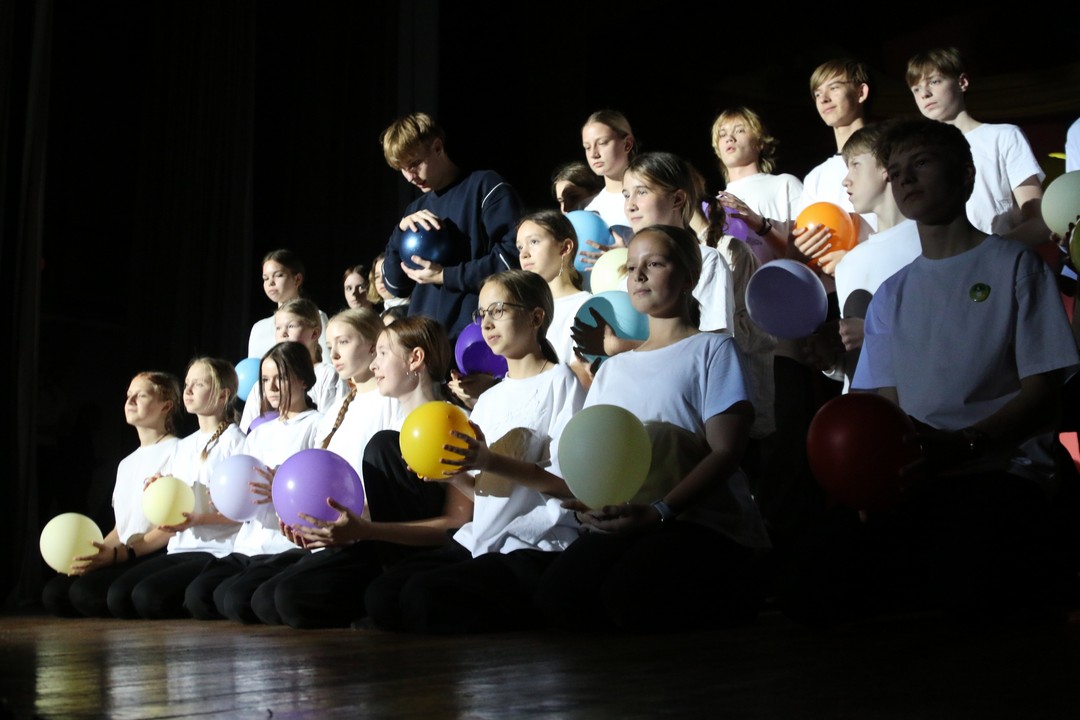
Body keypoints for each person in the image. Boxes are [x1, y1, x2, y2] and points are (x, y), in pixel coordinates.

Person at [783, 117, 1080, 626]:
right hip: (919, 476)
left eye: (921, 163)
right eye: (897, 171)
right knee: (811, 582)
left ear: (965, 175)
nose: (906, 179)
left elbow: (1044, 391)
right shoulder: (892, 293)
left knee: (968, 582)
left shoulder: (1015, 265)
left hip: (1001, 473)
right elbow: (881, 403)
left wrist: (965, 445)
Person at [534, 225, 770, 632]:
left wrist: (660, 512)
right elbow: (601, 453)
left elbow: (726, 451)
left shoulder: (713, 349)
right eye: (631, 267)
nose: (639, 275)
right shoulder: (614, 369)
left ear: (688, 278)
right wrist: (595, 504)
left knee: (628, 599)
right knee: (558, 599)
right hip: (632, 520)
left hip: (699, 522)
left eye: (655, 264)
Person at [364, 270, 586, 634]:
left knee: (422, 598)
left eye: (498, 310)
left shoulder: (560, 382)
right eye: (481, 314)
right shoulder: (490, 397)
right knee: (381, 596)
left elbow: (568, 484)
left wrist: (488, 460)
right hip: (480, 540)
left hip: (532, 544)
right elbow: (485, 492)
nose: (486, 323)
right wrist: (453, 474)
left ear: (535, 317)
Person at [254, 315, 473, 629]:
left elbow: (455, 526)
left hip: (412, 552)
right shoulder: (391, 424)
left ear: (415, 359)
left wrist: (365, 530)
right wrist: (324, 527)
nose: (374, 364)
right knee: (269, 599)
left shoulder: (451, 423)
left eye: (382, 353)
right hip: (372, 543)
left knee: (298, 598)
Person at [185, 341, 322, 622]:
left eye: (280, 378)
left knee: (235, 600)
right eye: (266, 380)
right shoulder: (259, 433)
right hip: (248, 544)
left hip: (284, 546)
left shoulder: (316, 424)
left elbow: (316, 486)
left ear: (303, 379)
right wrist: (225, 497)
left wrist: (280, 487)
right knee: (198, 596)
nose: (272, 387)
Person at [105, 357, 246, 619]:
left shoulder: (236, 442)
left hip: (217, 551)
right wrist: (159, 489)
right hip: (180, 548)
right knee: (118, 596)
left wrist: (198, 519)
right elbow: (175, 497)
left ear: (223, 395)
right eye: (188, 383)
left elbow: (245, 514)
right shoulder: (183, 446)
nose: (188, 390)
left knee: (147, 597)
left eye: (198, 384)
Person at [41, 371, 182, 617]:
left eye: (141, 395)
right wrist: (92, 556)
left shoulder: (178, 451)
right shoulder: (126, 464)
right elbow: (121, 528)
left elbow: (173, 524)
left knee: (84, 593)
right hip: (122, 553)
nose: (130, 401)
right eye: (129, 395)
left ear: (166, 406)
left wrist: (119, 555)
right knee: (55, 594)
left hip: (150, 552)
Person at [379, 112, 525, 343]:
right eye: (402, 169)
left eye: (414, 164)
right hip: (426, 344)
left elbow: (514, 257)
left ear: (438, 147)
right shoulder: (415, 211)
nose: (410, 177)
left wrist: (446, 276)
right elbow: (396, 286)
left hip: (475, 338)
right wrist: (399, 234)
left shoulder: (484, 186)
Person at [802, 122, 922, 394]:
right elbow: (856, 364)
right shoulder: (849, 263)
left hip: (917, 405)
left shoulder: (926, 242)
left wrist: (872, 331)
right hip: (861, 408)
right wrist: (832, 360)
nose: (846, 180)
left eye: (855, 165)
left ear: (887, 167)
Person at [905, 47, 1049, 247]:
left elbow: (1038, 222)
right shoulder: (916, 155)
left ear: (962, 82)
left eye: (935, 82)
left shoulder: (1003, 136)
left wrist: (987, 250)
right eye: (916, 89)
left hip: (998, 257)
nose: (925, 94)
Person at [793, 58, 878, 278]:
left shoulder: (888, 156)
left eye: (834, 87)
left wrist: (854, 260)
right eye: (817, 94)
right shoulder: (816, 177)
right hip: (836, 291)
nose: (824, 99)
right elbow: (801, 243)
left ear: (861, 92)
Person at [711, 106, 804, 263]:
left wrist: (761, 226)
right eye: (722, 134)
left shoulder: (785, 184)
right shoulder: (714, 205)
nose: (729, 138)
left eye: (739, 130)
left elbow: (805, 254)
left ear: (760, 142)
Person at [240, 297, 343, 432]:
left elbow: (331, 428)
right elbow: (246, 431)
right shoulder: (263, 384)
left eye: (291, 326)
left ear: (315, 333)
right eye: (278, 328)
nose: (283, 333)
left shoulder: (327, 375)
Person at [514, 209, 591, 364]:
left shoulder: (586, 306)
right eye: (520, 247)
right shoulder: (522, 311)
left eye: (533, 242)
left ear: (565, 248)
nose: (524, 254)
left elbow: (583, 371)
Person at [247, 249, 329, 360]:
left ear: (297, 279)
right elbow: (253, 367)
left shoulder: (315, 317)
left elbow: (327, 361)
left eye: (278, 275)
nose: (271, 282)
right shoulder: (259, 328)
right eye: (266, 278)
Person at [581, 109, 637, 235]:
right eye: (587, 147)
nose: (594, 154)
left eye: (602, 143)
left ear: (627, 144)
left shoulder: (650, 197)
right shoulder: (587, 208)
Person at [369, 252, 409, 323]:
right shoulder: (379, 319)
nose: (381, 281)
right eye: (377, 276)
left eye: (387, 275)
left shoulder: (416, 310)